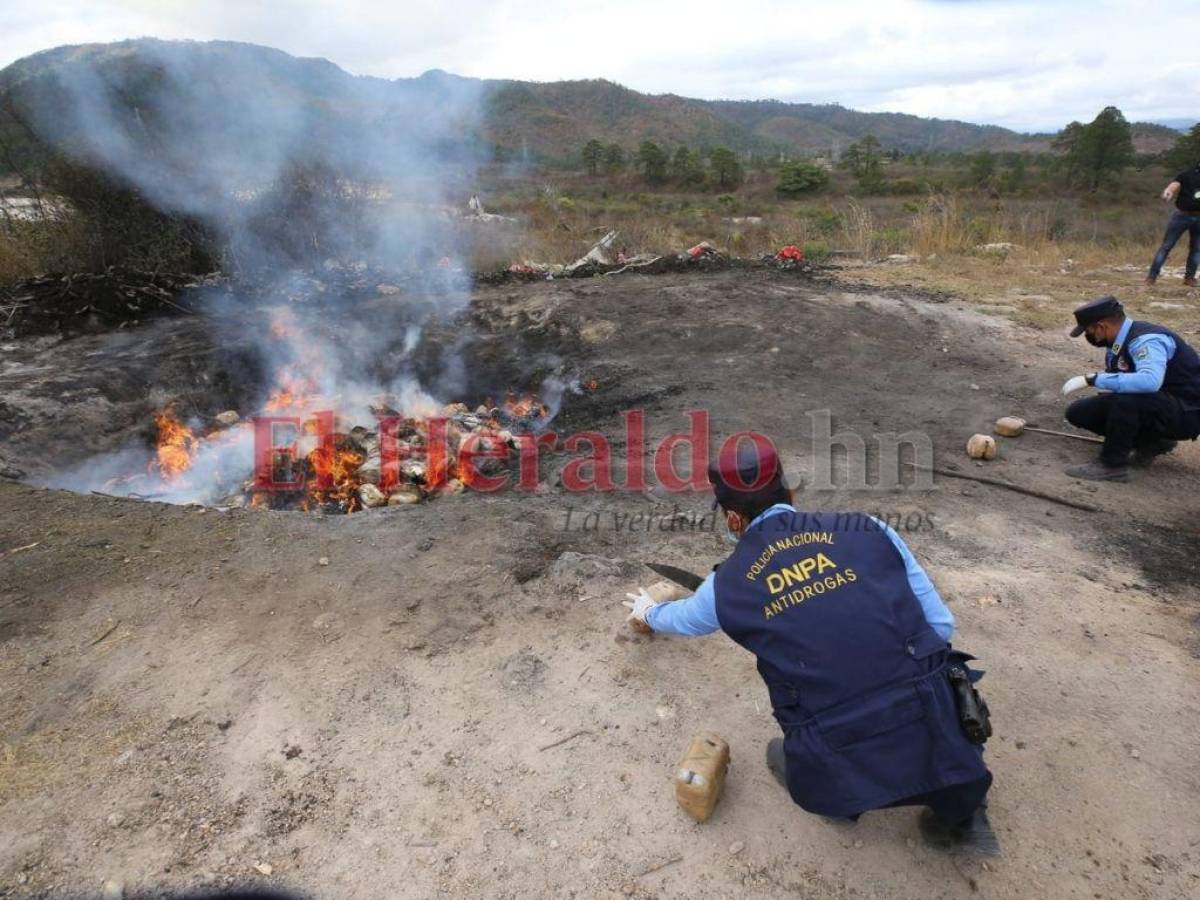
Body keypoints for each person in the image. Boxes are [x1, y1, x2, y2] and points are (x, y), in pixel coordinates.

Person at [622, 442, 997, 854]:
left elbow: (686, 620)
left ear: (732, 518)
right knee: (944, 726)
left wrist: (649, 612)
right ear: (792, 494)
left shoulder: (725, 586)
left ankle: (844, 800)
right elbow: (941, 627)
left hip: (836, 741)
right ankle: (961, 815)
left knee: (788, 757)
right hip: (933, 725)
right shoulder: (870, 527)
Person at [1061, 296, 1200, 481]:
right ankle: (1152, 442)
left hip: (1189, 412)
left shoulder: (1146, 341)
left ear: (1102, 327)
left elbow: (1150, 381)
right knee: (1079, 412)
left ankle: (1111, 465)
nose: (1089, 336)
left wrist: (1093, 379)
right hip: (1162, 404)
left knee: (1126, 400)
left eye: (1089, 331)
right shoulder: (1118, 341)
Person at [1146, 162, 1200, 287]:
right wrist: (1168, 192)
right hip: (1182, 216)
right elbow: (1174, 185)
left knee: (1196, 250)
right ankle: (1151, 277)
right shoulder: (1187, 175)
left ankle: (1189, 278)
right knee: (1166, 246)